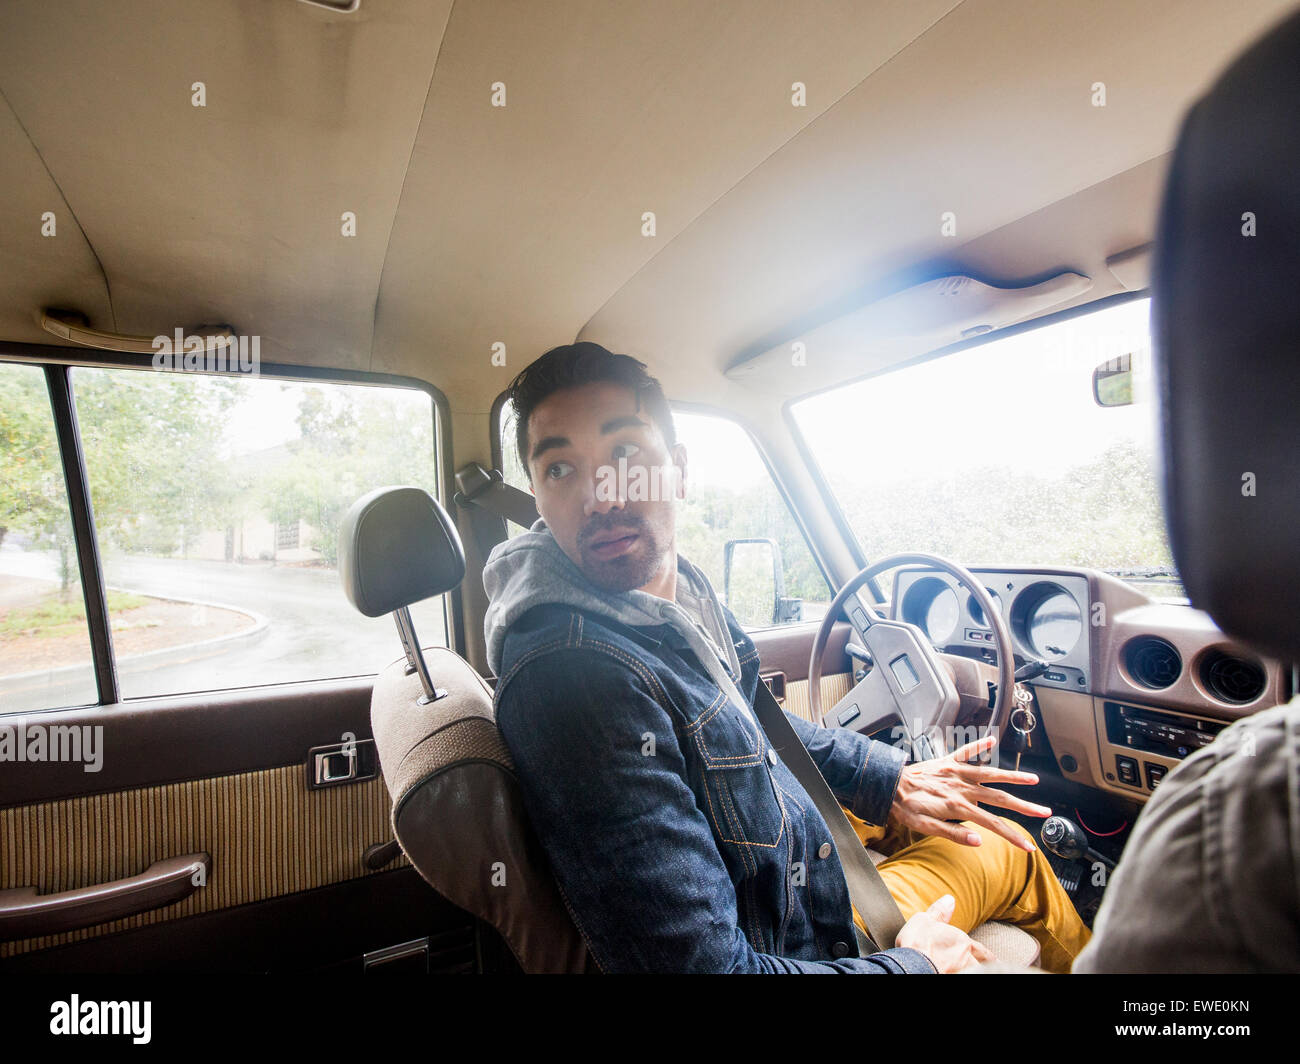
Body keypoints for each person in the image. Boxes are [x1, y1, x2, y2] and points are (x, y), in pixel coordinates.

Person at [485, 341, 1091, 973]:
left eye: (625, 453)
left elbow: (757, 718)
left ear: (680, 469)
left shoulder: (676, 596)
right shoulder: (576, 679)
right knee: (1010, 851)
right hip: (795, 931)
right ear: (536, 494)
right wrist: (917, 964)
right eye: (560, 469)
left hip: (786, 840)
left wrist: (889, 780)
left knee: (964, 807)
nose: (601, 497)